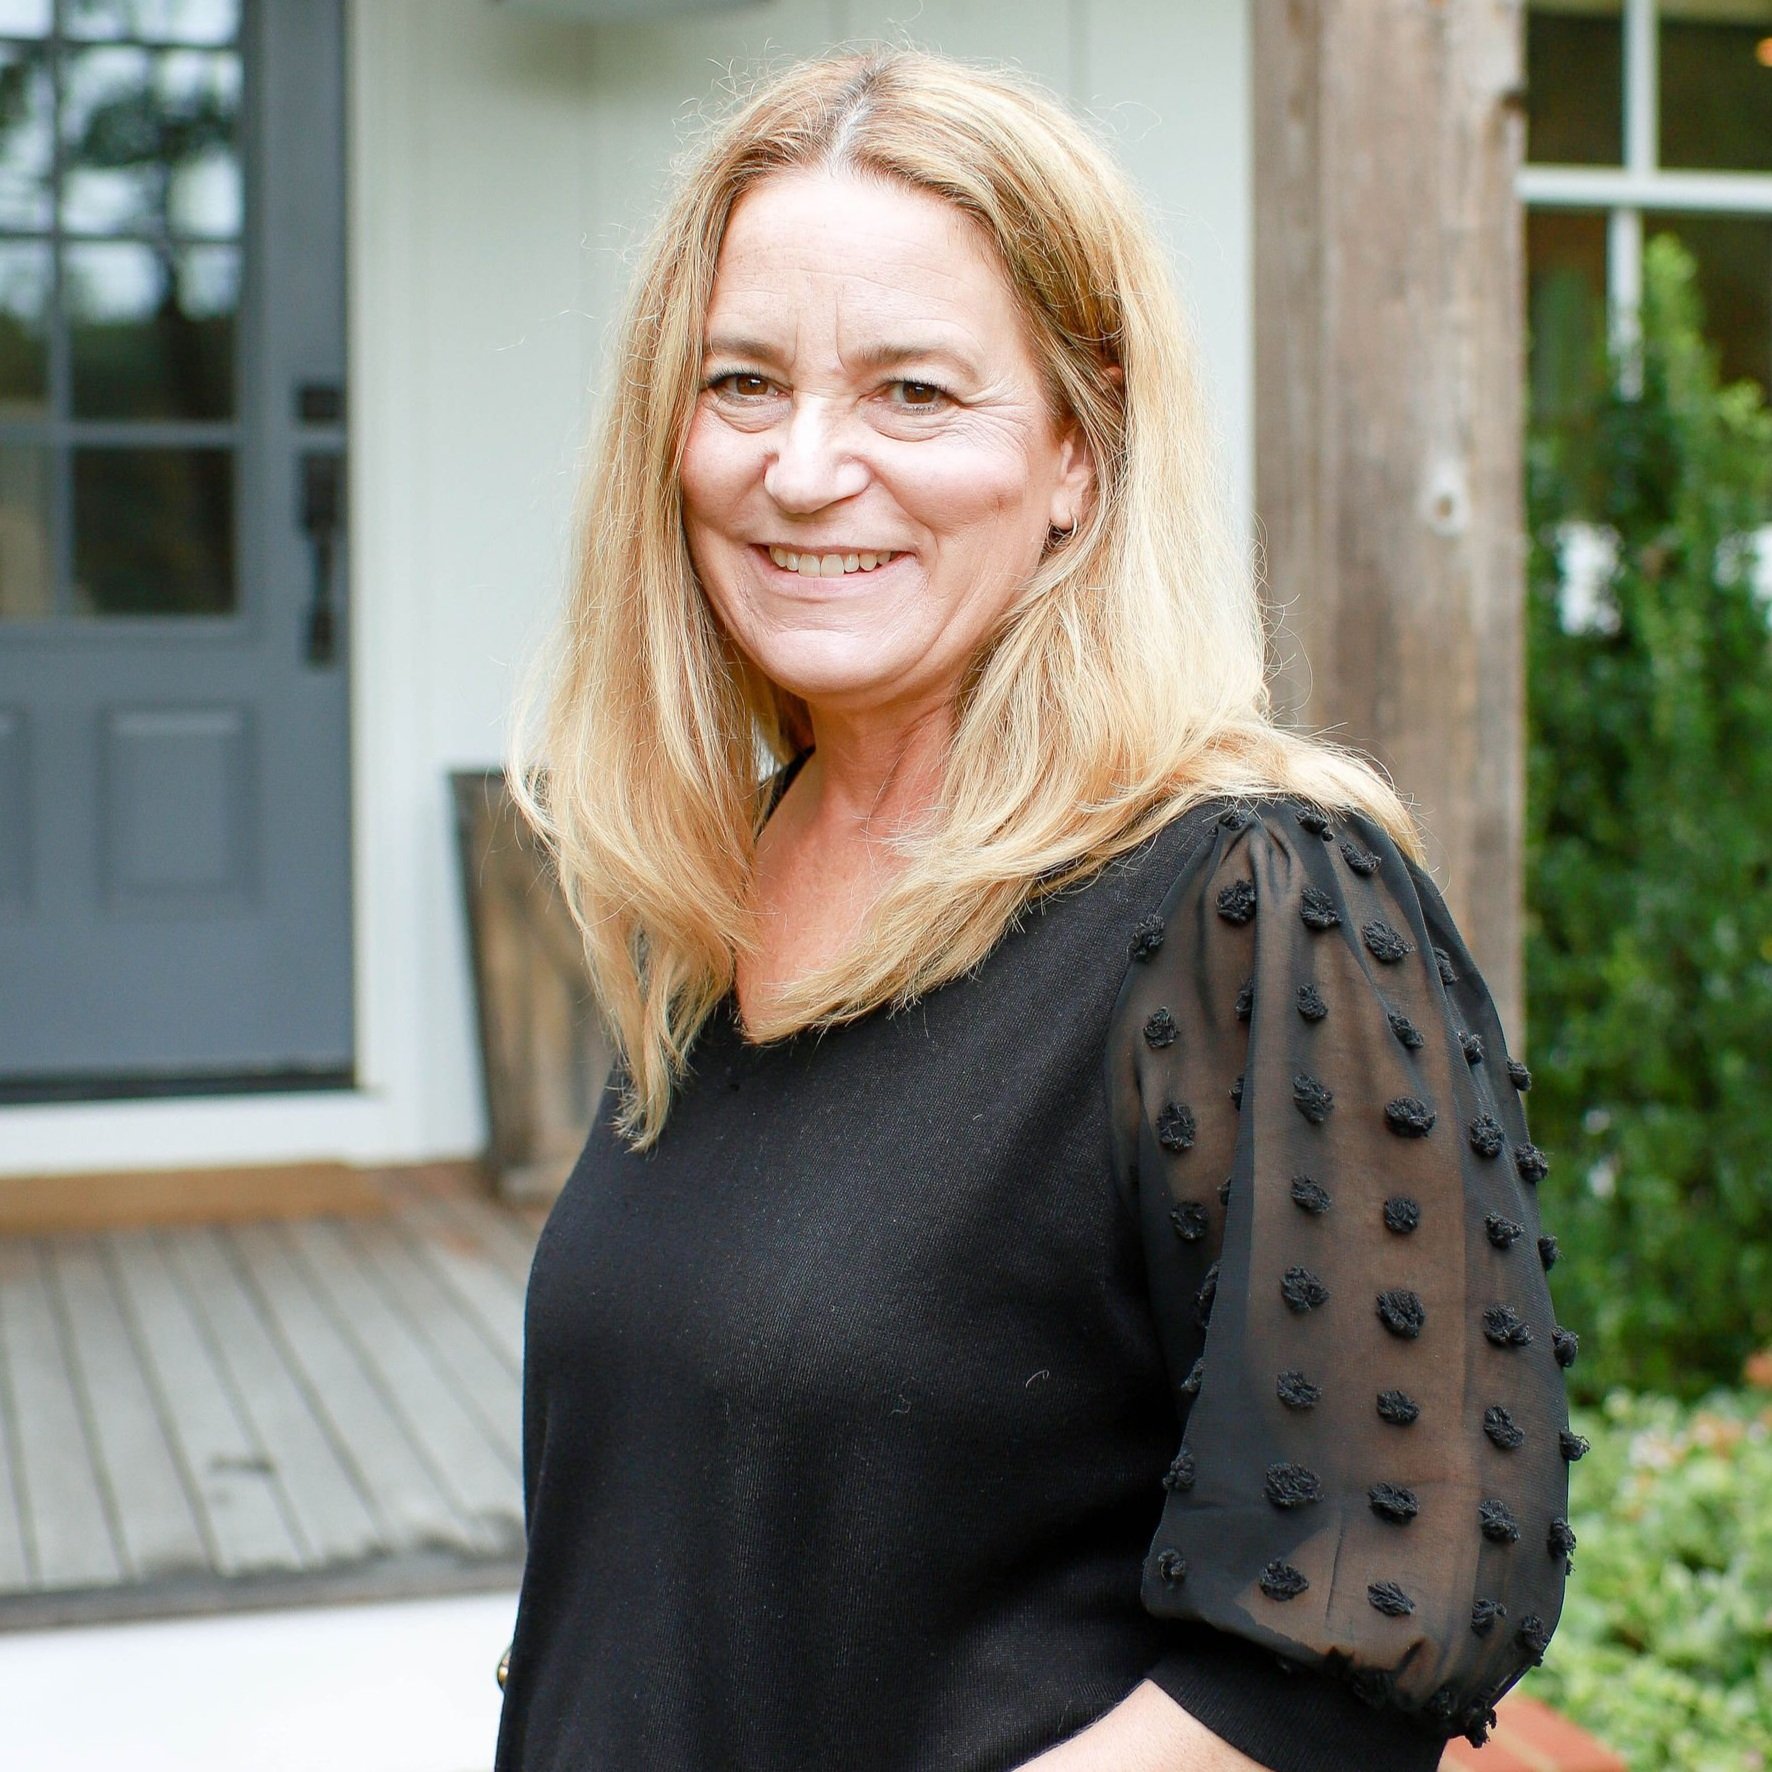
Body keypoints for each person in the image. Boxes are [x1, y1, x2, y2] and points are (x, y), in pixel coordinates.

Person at [495, 48, 1576, 1772]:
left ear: (1080, 450)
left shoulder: (1255, 905)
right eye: (744, 382)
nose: (803, 467)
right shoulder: (730, 870)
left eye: (915, 393)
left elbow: (1363, 1619)